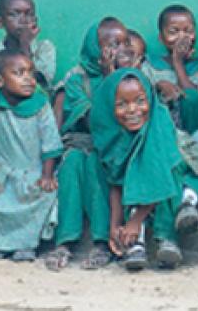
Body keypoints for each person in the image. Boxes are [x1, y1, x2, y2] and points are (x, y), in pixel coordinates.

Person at [44, 18, 133, 271]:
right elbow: (92, 117)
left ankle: (101, 241)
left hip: (112, 146)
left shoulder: (129, 77)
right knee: (72, 163)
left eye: (124, 42)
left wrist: (112, 76)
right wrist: (107, 77)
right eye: (112, 44)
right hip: (82, 139)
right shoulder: (77, 78)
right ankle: (65, 241)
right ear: (96, 48)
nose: (120, 49)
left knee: (96, 165)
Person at [0, 50, 62, 261]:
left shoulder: (41, 105)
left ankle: (26, 243)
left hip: (32, 167)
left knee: (45, 193)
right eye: (19, 73)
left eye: (31, 73)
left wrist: (47, 175)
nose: (28, 79)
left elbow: (50, 145)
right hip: (2, 167)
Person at [91, 69, 185, 271]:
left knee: (162, 176)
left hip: (166, 187)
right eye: (121, 104)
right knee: (127, 178)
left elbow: (160, 178)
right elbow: (115, 179)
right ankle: (134, 245)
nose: (133, 110)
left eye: (140, 101)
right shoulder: (112, 134)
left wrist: (135, 221)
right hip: (136, 195)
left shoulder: (158, 123)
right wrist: (115, 226)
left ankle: (165, 238)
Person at [140, 5, 198, 235]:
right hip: (162, 135)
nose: (182, 38)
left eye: (188, 30)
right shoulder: (149, 65)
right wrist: (158, 86)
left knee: (192, 97)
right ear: (161, 37)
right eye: (174, 31)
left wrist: (178, 64)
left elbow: (195, 101)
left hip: (194, 133)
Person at [0, 0, 57, 96]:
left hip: (39, 110)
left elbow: (37, 85)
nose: (23, 20)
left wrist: (25, 45)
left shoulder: (44, 49)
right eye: (14, 15)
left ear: (35, 20)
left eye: (29, 14)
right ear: (0, 22)